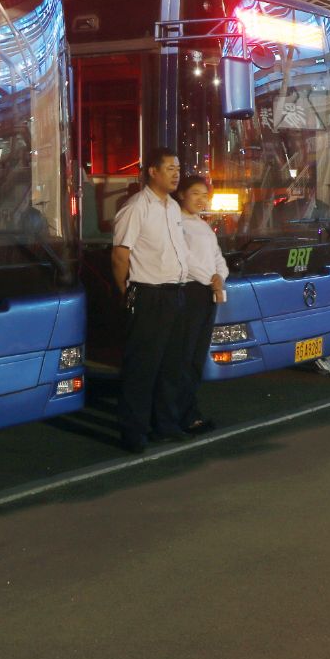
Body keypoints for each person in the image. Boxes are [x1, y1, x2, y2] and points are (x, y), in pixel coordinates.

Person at [111, 148, 191, 452]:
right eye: (170, 168)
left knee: (171, 365)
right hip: (148, 294)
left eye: (178, 169)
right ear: (152, 172)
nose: (176, 174)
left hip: (175, 293)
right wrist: (126, 292)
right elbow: (120, 256)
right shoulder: (136, 207)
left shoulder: (173, 207)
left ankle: (165, 425)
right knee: (142, 368)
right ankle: (133, 432)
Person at [174, 176, 226, 435]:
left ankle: (190, 411)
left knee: (196, 357)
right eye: (195, 193)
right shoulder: (176, 223)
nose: (201, 199)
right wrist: (211, 279)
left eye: (205, 195)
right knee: (183, 357)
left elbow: (218, 258)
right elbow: (184, 260)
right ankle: (182, 415)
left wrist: (219, 277)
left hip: (207, 293)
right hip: (190, 292)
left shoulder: (203, 226)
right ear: (181, 194)